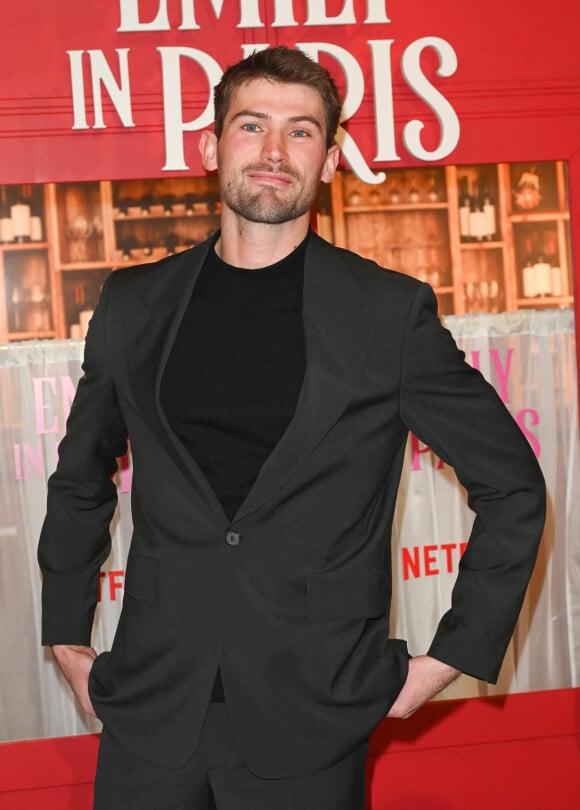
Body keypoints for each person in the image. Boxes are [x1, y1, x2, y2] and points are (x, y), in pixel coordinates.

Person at [38, 45, 546, 810]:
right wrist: (65, 635)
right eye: (252, 126)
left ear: (331, 159)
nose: (275, 152)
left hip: (313, 710)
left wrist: (450, 658)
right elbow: (81, 476)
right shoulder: (134, 303)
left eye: (301, 132)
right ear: (211, 147)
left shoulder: (386, 314)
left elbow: (512, 485)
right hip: (150, 704)